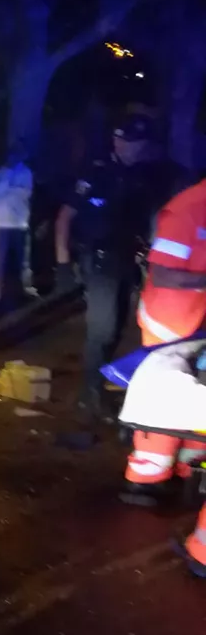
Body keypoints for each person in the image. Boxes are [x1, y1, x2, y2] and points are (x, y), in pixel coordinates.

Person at [56, 114, 187, 415]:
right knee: (102, 328)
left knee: (117, 329)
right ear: (116, 140)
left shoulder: (145, 177)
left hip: (128, 259)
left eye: (140, 143)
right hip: (98, 260)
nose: (135, 148)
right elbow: (65, 217)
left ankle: (97, 386)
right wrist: (63, 265)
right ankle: (89, 395)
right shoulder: (95, 173)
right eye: (129, 141)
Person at [114, 177, 206, 506]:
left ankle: (188, 468)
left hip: (196, 316)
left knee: (195, 392)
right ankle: (145, 479)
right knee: (164, 394)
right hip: (169, 317)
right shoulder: (186, 211)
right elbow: (165, 274)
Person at [0, 144, 35, 301]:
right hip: (1, 222)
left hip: (20, 221)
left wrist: (9, 190)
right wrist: (12, 187)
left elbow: (25, 193)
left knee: (23, 258)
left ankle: (25, 287)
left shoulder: (26, 172)